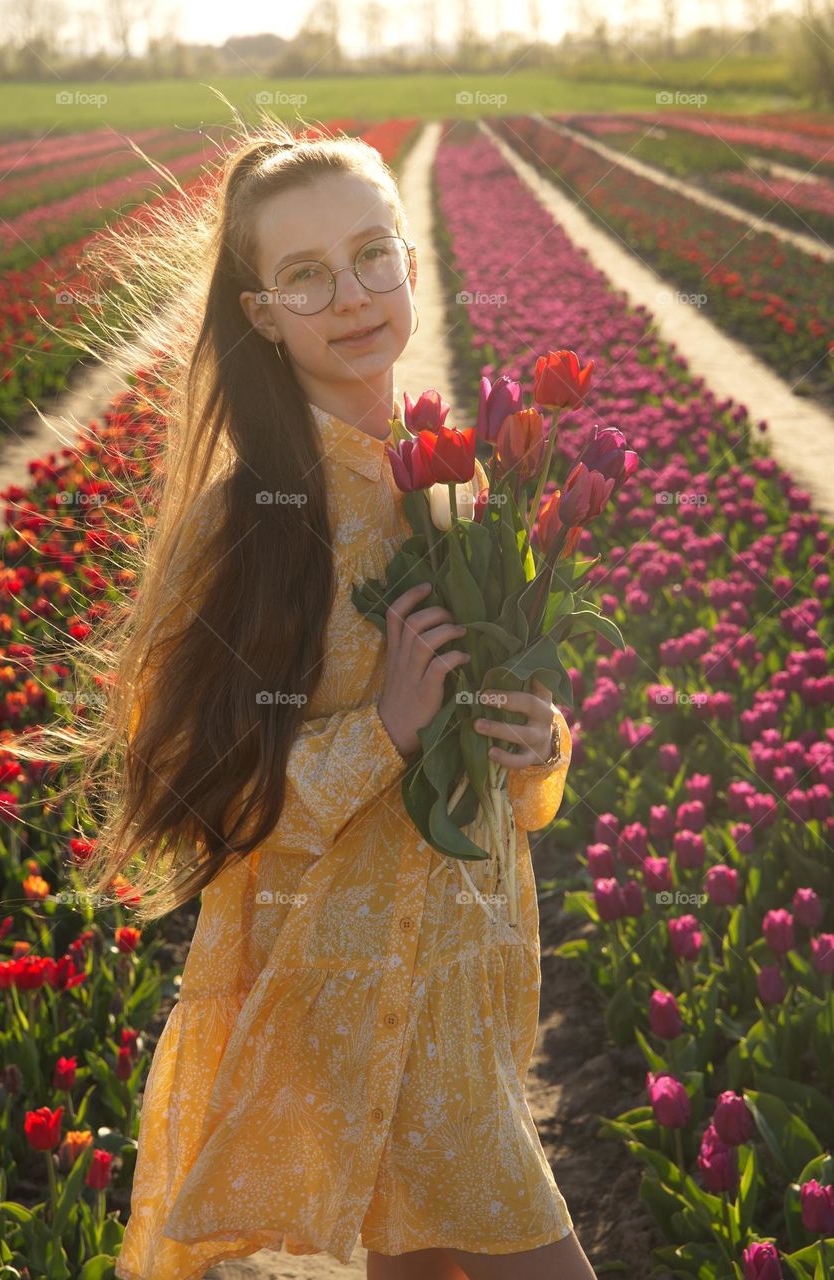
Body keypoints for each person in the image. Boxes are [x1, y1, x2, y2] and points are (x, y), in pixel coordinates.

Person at [104, 117, 597, 1280]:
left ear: (412, 266)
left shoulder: (464, 487)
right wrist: (382, 726)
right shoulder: (255, 522)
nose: (352, 293)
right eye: (306, 274)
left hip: (459, 1001)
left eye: (374, 253)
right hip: (338, 1010)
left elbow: (511, 791)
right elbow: (194, 794)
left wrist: (537, 742)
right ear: (262, 310)